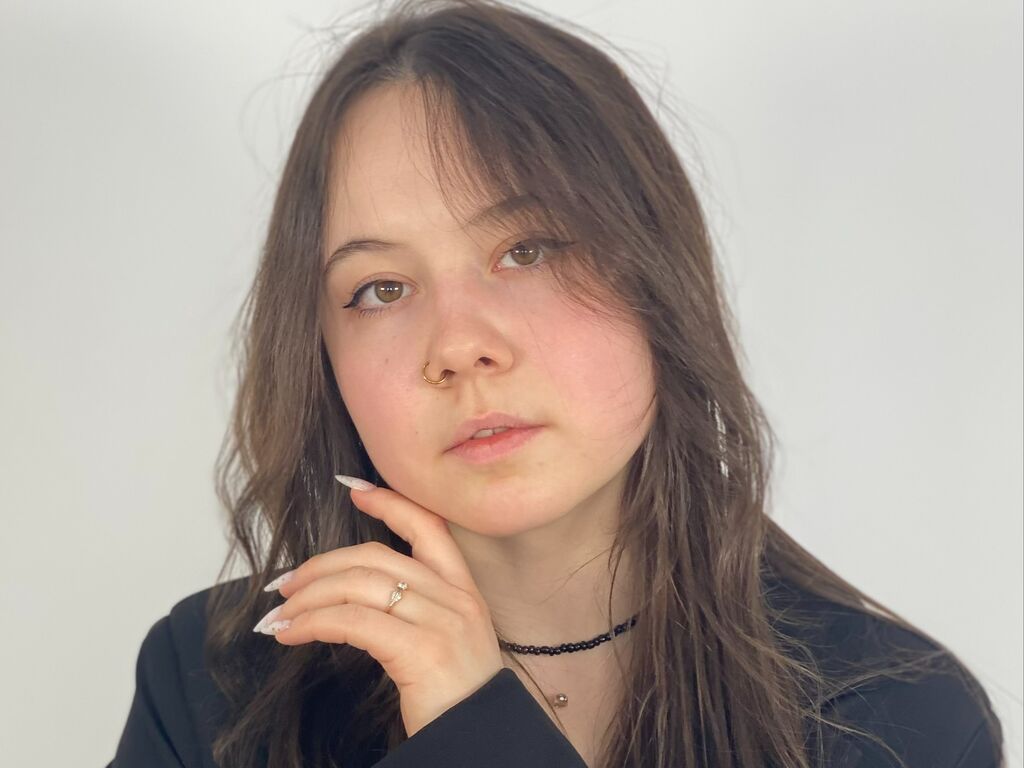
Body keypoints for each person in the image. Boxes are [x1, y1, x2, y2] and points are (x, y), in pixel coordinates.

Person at [107, 0, 1004, 766]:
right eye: (381, 289)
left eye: (527, 250)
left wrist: (473, 732)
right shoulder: (211, 688)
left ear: (655, 273)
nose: (460, 346)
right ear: (320, 357)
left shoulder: (899, 719)